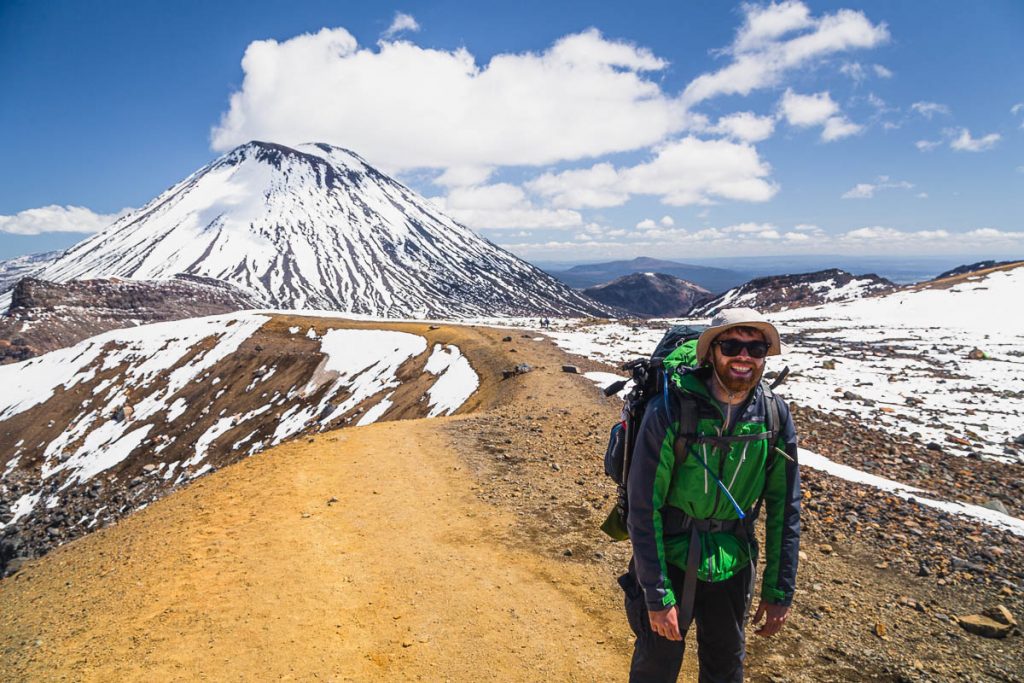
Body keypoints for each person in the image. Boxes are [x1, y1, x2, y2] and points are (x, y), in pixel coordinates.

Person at [621, 307, 800, 682]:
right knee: (656, 667)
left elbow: (786, 507)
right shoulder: (669, 410)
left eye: (756, 349)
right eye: (732, 345)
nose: (744, 357)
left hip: (732, 562)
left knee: (725, 669)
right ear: (710, 352)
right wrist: (657, 596)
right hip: (670, 557)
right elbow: (643, 507)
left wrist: (779, 590)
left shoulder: (773, 416)